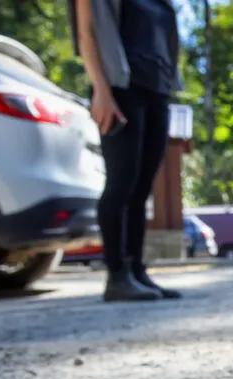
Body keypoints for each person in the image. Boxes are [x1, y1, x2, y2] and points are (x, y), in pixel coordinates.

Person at [69, 0, 183, 301]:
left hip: (157, 87)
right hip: (120, 88)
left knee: (143, 186)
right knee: (121, 182)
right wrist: (101, 90)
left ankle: (136, 271)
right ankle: (116, 275)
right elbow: (87, 33)